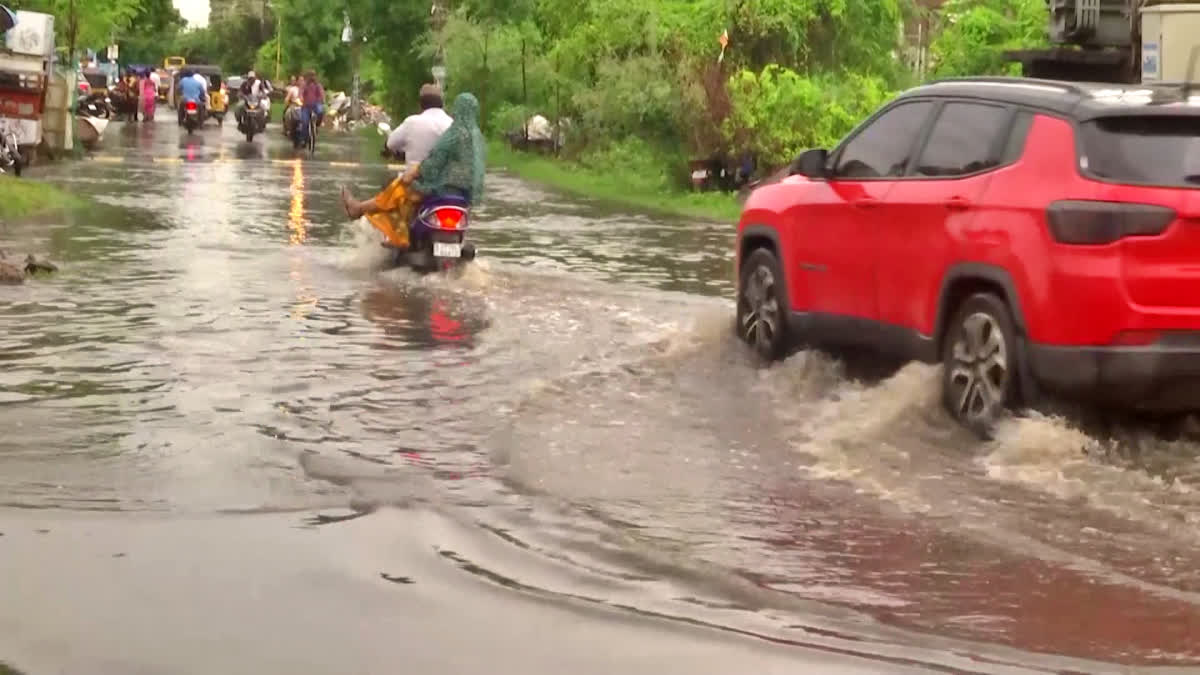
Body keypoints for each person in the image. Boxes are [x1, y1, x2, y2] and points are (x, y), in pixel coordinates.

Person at [341, 92, 484, 251]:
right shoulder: (476, 137)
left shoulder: (454, 134)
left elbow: (434, 161)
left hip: (440, 190)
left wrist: (415, 173)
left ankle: (382, 225)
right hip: (464, 198)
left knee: (396, 192)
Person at [385, 83, 453, 170]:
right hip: (443, 180)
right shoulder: (451, 123)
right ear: (441, 103)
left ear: (421, 104)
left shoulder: (412, 122)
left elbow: (390, 144)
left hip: (416, 179)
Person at [298, 71, 325, 142]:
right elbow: (300, 93)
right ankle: (304, 138)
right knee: (304, 122)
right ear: (308, 77)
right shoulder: (304, 85)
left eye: (313, 76)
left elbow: (322, 93)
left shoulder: (318, 85)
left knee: (320, 111)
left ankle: (317, 125)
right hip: (306, 106)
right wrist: (301, 98)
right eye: (310, 76)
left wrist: (322, 99)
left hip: (316, 104)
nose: (312, 77)